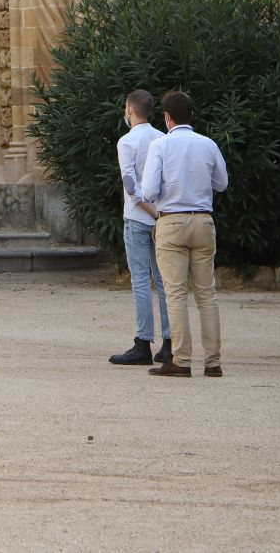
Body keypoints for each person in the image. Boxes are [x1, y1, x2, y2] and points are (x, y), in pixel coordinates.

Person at [137, 91, 229, 378]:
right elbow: (222, 183)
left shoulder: (161, 145)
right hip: (203, 219)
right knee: (206, 293)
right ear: (191, 115)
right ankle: (213, 361)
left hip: (172, 220)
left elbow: (149, 190)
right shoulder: (208, 144)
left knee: (175, 293)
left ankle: (182, 359)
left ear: (166, 118)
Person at [108, 90, 172, 367]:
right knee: (165, 280)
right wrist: (161, 213)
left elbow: (130, 184)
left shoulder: (127, 142)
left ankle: (143, 341)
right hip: (164, 217)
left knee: (141, 281)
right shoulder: (163, 138)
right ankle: (170, 340)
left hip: (138, 217)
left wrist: (150, 211)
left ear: (129, 110)